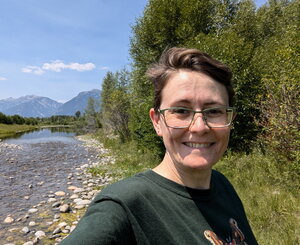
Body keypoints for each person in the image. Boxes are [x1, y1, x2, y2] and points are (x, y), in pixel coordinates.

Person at [60, 47, 258, 245]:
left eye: (214, 111)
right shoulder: (123, 207)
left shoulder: (222, 186)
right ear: (157, 122)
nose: (199, 127)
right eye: (181, 110)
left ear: (230, 120)